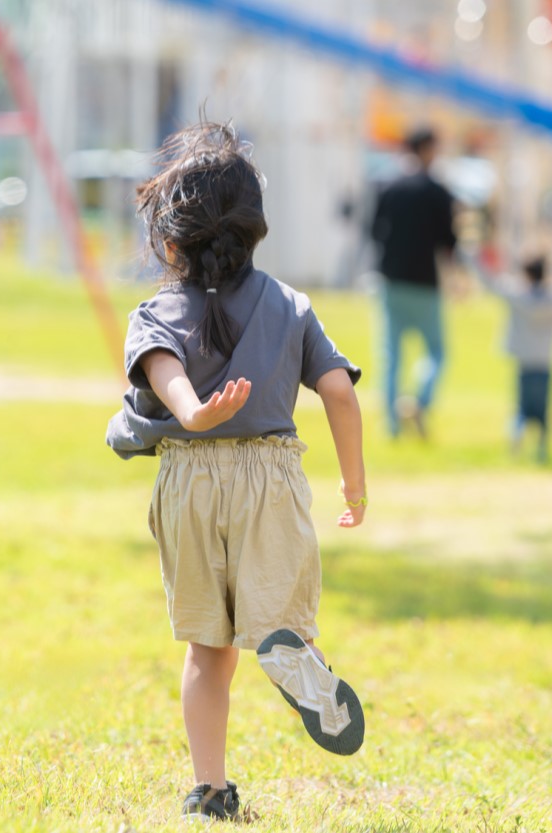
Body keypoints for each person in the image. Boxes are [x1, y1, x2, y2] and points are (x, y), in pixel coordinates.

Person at [105, 122, 369, 821]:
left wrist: (194, 412)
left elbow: (164, 376)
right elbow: (339, 391)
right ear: (257, 230)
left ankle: (211, 788)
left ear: (169, 240)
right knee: (280, 608)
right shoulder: (290, 304)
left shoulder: (155, 310)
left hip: (190, 478)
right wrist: (355, 484)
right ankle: (290, 646)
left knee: (205, 649)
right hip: (270, 475)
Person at [465, 246, 552, 463]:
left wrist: (471, 255)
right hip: (545, 364)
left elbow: (489, 282)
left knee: (521, 411)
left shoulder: (517, 296)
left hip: (523, 364)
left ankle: (516, 439)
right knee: (543, 414)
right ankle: (542, 450)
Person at [369, 126, 458, 440]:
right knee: (436, 351)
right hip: (425, 282)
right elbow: (450, 242)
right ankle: (420, 401)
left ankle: (391, 425)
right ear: (427, 149)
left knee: (391, 355)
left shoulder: (387, 186)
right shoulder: (437, 191)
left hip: (390, 280)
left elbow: (373, 231)